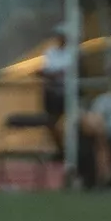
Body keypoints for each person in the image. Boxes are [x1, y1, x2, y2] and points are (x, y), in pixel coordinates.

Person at [39, 28, 73, 160]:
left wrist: (54, 73)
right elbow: (46, 71)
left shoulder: (73, 53)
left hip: (68, 92)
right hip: (53, 92)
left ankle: (70, 150)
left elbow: (71, 72)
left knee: (71, 122)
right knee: (51, 122)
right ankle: (60, 150)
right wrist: (56, 73)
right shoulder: (50, 52)